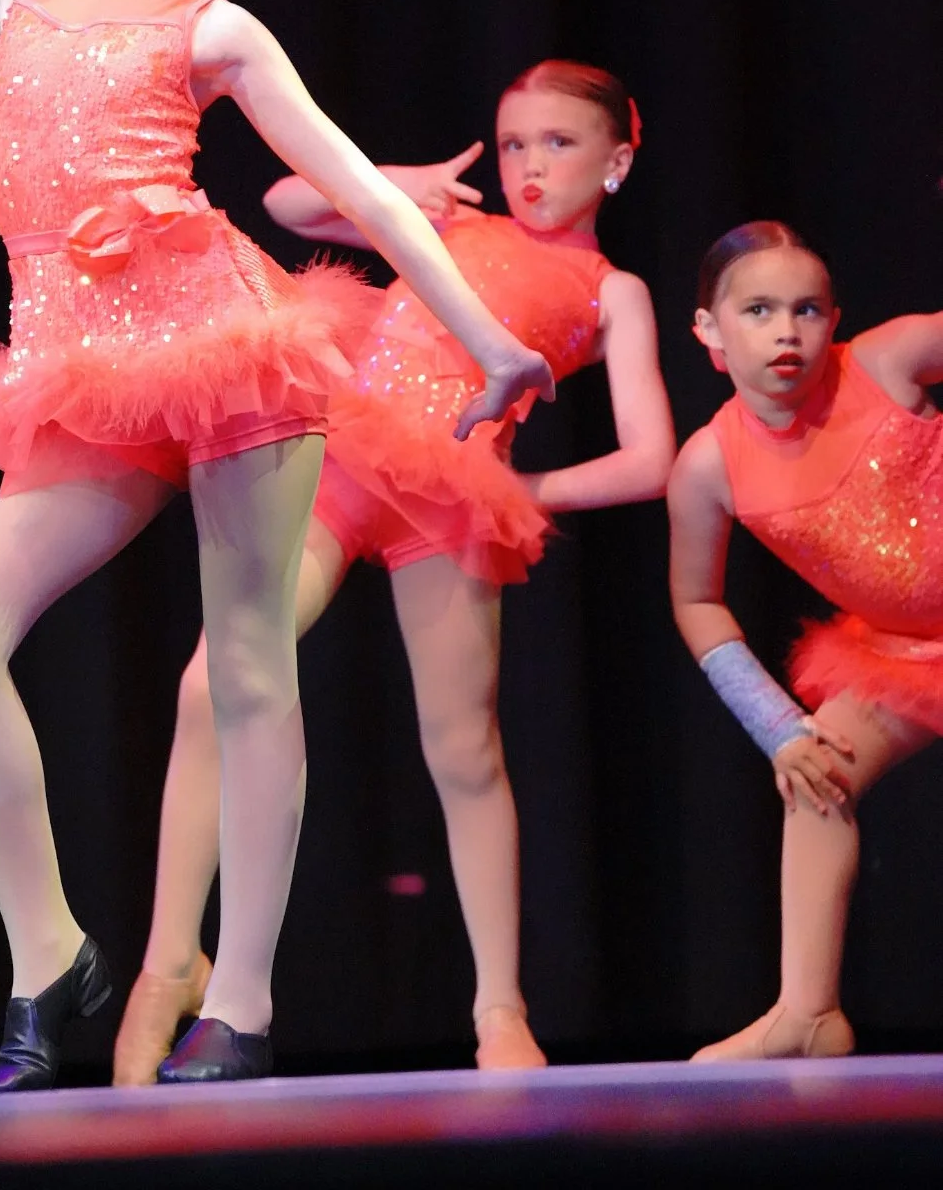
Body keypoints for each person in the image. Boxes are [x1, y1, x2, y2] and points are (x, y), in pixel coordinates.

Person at [0, 0, 554, 1088]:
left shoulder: (215, 24)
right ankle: (49, 957)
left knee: (247, 665)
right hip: (81, 368)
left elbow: (368, 192)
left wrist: (486, 340)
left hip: (223, 345)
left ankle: (241, 1004)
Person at [113, 61, 673, 1082]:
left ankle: (499, 1005)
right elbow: (286, 198)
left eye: (558, 143)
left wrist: (511, 489)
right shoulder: (447, 227)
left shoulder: (612, 290)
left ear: (618, 159)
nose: (529, 166)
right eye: (513, 144)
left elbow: (651, 459)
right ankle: (168, 959)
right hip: (345, 459)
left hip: (450, 504)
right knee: (212, 681)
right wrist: (400, 179)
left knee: (463, 749)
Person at [668, 220, 943, 1060]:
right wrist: (776, 727)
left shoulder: (891, 361)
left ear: (834, 319)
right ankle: (809, 1014)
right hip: (903, 655)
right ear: (710, 331)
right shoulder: (709, 465)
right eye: (757, 310)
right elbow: (697, 601)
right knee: (818, 773)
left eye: (806, 310)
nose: (786, 332)